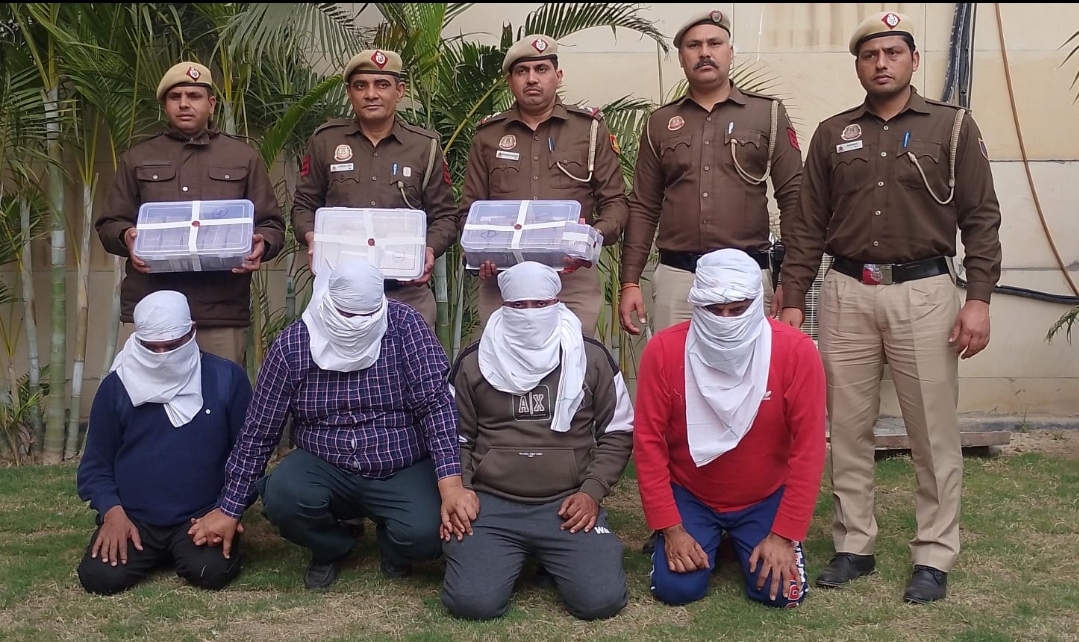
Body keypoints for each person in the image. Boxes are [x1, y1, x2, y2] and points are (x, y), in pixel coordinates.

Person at [778, 12, 1002, 604]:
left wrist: (978, 298)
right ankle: (854, 544)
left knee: (932, 430)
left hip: (924, 293)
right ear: (858, 65)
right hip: (846, 291)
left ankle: (933, 553)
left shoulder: (951, 127)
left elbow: (981, 217)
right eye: (870, 54)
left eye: (893, 52)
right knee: (846, 427)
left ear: (913, 60)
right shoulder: (833, 134)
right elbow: (806, 225)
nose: (881, 63)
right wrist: (793, 297)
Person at [189, 260, 474, 590]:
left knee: (428, 532)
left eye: (368, 316)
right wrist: (229, 509)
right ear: (329, 302)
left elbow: (436, 406)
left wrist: (451, 487)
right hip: (325, 461)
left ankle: (396, 548)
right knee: (283, 496)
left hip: (398, 460)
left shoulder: (405, 326)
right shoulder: (293, 344)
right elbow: (259, 432)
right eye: (347, 315)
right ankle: (331, 546)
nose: (357, 324)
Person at [441, 262, 635, 621]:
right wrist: (462, 490)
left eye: (540, 304)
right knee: (473, 603)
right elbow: (455, 437)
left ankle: (556, 555)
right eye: (519, 305)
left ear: (557, 303)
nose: (530, 313)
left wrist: (591, 492)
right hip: (491, 503)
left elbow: (618, 431)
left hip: (567, 504)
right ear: (503, 306)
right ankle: (508, 555)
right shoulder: (474, 361)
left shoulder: (590, 356)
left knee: (601, 601)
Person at [633, 249, 826, 609]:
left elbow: (810, 449)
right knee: (676, 590)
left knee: (781, 594)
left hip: (765, 495)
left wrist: (783, 535)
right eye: (713, 309)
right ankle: (715, 538)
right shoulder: (663, 350)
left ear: (756, 304)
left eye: (737, 310)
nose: (725, 320)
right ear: (696, 304)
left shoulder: (796, 351)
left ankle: (737, 540)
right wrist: (671, 527)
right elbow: (648, 443)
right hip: (691, 493)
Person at [618, 9, 803, 342]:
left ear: (730, 53)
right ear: (681, 57)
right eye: (694, 45)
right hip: (678, 279)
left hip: (746, 277)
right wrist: (630, 281)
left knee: (746, 370)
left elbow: (794, 198)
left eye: (714, 43)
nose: (705, 52)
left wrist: (791, 283)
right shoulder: (660, 122)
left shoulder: (767, 113)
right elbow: (644, 205)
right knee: (676, 370)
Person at [96, 61, 286, 365]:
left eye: (194, 96)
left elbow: (271, 224)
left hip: (221, 308)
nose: (184, 104)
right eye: (175, 97)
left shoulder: (242, 157)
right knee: (151, 392)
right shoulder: (137, 157)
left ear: (211, 104)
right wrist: (126, 236)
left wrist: (262, 244)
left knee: (219, 391)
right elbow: (109, 223)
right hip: (152, 307)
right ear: (165, 106)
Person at [75, 291, 252, 595]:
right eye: (151, 347)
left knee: (209, 571)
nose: (162, 355)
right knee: (99, 578)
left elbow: (249, 457)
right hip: (134, 518)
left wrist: (226, 511)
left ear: (192, 331)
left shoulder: (226, 379)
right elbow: (95, 466)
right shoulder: (116, 387)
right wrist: (112, 512)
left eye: (172, 346)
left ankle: (190, 547)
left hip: (201, 516)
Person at [459, 34, 629, 337]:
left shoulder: (588, 129)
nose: (532, 79)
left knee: (574, 358)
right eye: (522, 71)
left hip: (571, 278)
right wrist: (479, 252)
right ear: (510, 81)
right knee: (505, 361)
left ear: (558, 76)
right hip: (503, 279)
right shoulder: (488, 135)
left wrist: (591, 239)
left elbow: (615, 201)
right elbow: (469, 210)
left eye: (541, 69)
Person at [292, 49, 459, 330]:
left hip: (406, 292)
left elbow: (445, 217)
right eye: (361, 86)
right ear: (349, 93)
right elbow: (303, 206)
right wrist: (312, 237)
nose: (371, 94)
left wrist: (429, 249)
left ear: (399, 91)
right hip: (339, 294)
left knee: (412, 359)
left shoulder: (424, 147)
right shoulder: (326, 142)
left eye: (382, 85)